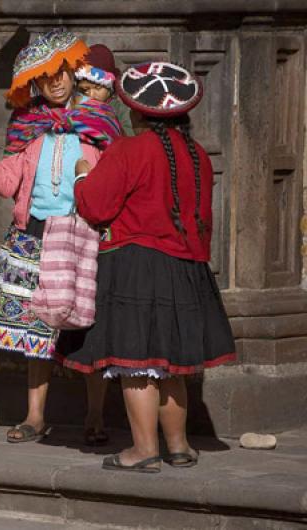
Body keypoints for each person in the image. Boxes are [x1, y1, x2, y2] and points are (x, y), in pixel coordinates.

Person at [64, 62, 236, 472]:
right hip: (186, 266)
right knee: (171, 362)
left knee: (136, 361)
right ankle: (178, 446)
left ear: (136, 111)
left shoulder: (128, 149)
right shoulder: (197, 156)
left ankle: (143, 449)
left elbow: (95, 207)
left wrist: (82, 178)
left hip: (137, 263)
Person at [0, 28, 121, 444]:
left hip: (82, 236)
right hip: (32, 236)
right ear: (35, 83)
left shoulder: (97, 126)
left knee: (87, 328)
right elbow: (10, 180)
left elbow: (113, 181)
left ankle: (96, 416)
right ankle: (34, 416)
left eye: (63, 73)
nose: (57, 82)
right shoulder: (29, 128)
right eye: (47, 77)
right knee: (35, 331)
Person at [75, 44, 135, 136]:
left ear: (110, 87)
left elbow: (130, 137)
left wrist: (114, 123)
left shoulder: (121, 110)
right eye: (85, 89)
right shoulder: (77, 105)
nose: (91, 94)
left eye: (97, 88)